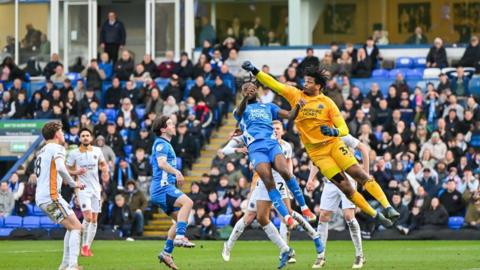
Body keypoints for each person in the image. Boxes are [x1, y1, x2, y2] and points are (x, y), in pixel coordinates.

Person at [243, 61, 397, 228]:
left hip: (334, 145)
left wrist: (335, 132)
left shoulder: (328, 103)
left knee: (359, 174)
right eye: (305, 80)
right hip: (318, 154)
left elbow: (343, 128)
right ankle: (376, 215)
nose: (305, 84)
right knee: (346, 187)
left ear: (318, 85)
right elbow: (274, 84)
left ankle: (387, 207)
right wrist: (255, 71)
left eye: (309, 82)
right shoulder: (295, 94)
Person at [221, 121, 322, 269]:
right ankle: (229, 245)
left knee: (287, 214)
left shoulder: (286, 146)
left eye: (278, 128)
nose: (275, 131)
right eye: (273, 128)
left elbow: (288, 165)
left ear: (283, 131)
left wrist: (289, 181)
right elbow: (243, 153)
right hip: (262, 181)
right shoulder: (259, 139)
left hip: (280, 180)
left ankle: (311, 238)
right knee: (255, 217)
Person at [234, 81, 316, 226]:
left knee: (285, 171)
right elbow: (239, 113)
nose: (249, 90)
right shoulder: (240, 110)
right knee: (268, 181)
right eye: (245, 89)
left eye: (252, 88)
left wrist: (297, 106)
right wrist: (245, 99)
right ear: (242, 93)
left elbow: (290, 115)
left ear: (257, 90)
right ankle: (286, 217)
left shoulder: (269, 106)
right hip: (256, 149)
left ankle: (304, 207)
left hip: (271, 145)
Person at [307, 133, 368, 269]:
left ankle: (360, 255)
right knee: (323, 216)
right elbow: (316, 160)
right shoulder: (320, 137)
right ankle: (321, 256)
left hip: (348, 179)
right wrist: (311, 179)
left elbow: (363, 148)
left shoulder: (343, 135)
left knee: (348, 216)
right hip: (331, 181)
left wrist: (365, 173)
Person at [35, 121, 86, 270]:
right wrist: (74, 184)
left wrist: (74, 173)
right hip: (51, 196)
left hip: (42, 198)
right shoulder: (57, 147)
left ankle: (65, 265)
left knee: (72, 227)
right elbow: (61, 169)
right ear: (57, 134)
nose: (63, 134)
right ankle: (72, 266)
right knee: (77, 227)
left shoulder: (42, 151)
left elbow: (54, 170)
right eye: (62, 132)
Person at [150, 116, 195, 269]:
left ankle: (166, 253)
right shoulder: (161, 144)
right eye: (169, 124)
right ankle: (180, 237)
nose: (173, 125)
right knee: (188, 203)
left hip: (163, 188)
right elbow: (161, 163)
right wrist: (177, 172)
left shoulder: (166, 144)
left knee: (180, 220)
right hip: (162, 188)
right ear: (163, 129)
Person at [66, 128, 109, 257]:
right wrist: (76, 172)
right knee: (88, 217)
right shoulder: (74, 153)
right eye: (83, 136)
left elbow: (103, 164)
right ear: (80, 138)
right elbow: (66, 169)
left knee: (95, 220)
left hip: (96, 189)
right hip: (83, 188)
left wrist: (105, 170)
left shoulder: (97, 150)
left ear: (91, 138)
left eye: (87, 135)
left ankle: (86, 247)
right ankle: (81, 243)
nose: (85, 137)